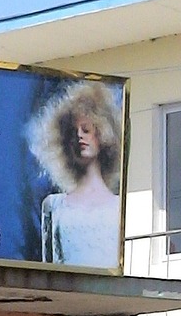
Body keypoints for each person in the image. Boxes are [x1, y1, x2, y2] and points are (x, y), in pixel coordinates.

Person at [27, 81, 123, 269]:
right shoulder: (53, 205)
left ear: (102, 133)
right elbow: (49, 269)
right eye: (73, 132)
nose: (79, 136)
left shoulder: (119, 207)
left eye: (86, 130)